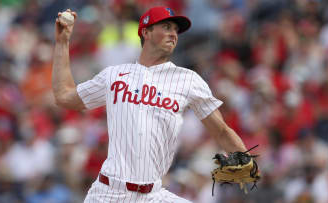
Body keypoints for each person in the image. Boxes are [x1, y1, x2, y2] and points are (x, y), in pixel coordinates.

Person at [52, 6, 249, 203]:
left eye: (175, 30)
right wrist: (62, 42)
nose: (173, 33)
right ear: (146, 32)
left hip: (153, 195)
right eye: (166, 27)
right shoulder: (114, 75)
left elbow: (221, 130)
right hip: (109, 192)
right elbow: (64, 96)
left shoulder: (189, 80)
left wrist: (247, 165)